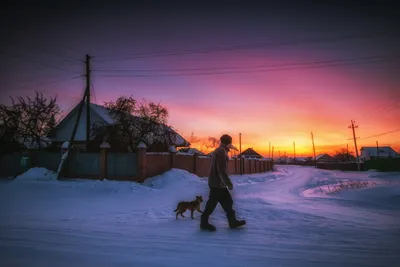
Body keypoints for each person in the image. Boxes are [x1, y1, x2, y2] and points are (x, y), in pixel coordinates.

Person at [200, 134, 246, 231]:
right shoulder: (221, 152)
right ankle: (204, 223)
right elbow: (221, 170)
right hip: (217, 183)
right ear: (229, 142)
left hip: (218, 183)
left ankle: (232, 221)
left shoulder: (220, 150)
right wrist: (228, 183)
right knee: (212, 203)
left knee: (228, 201)